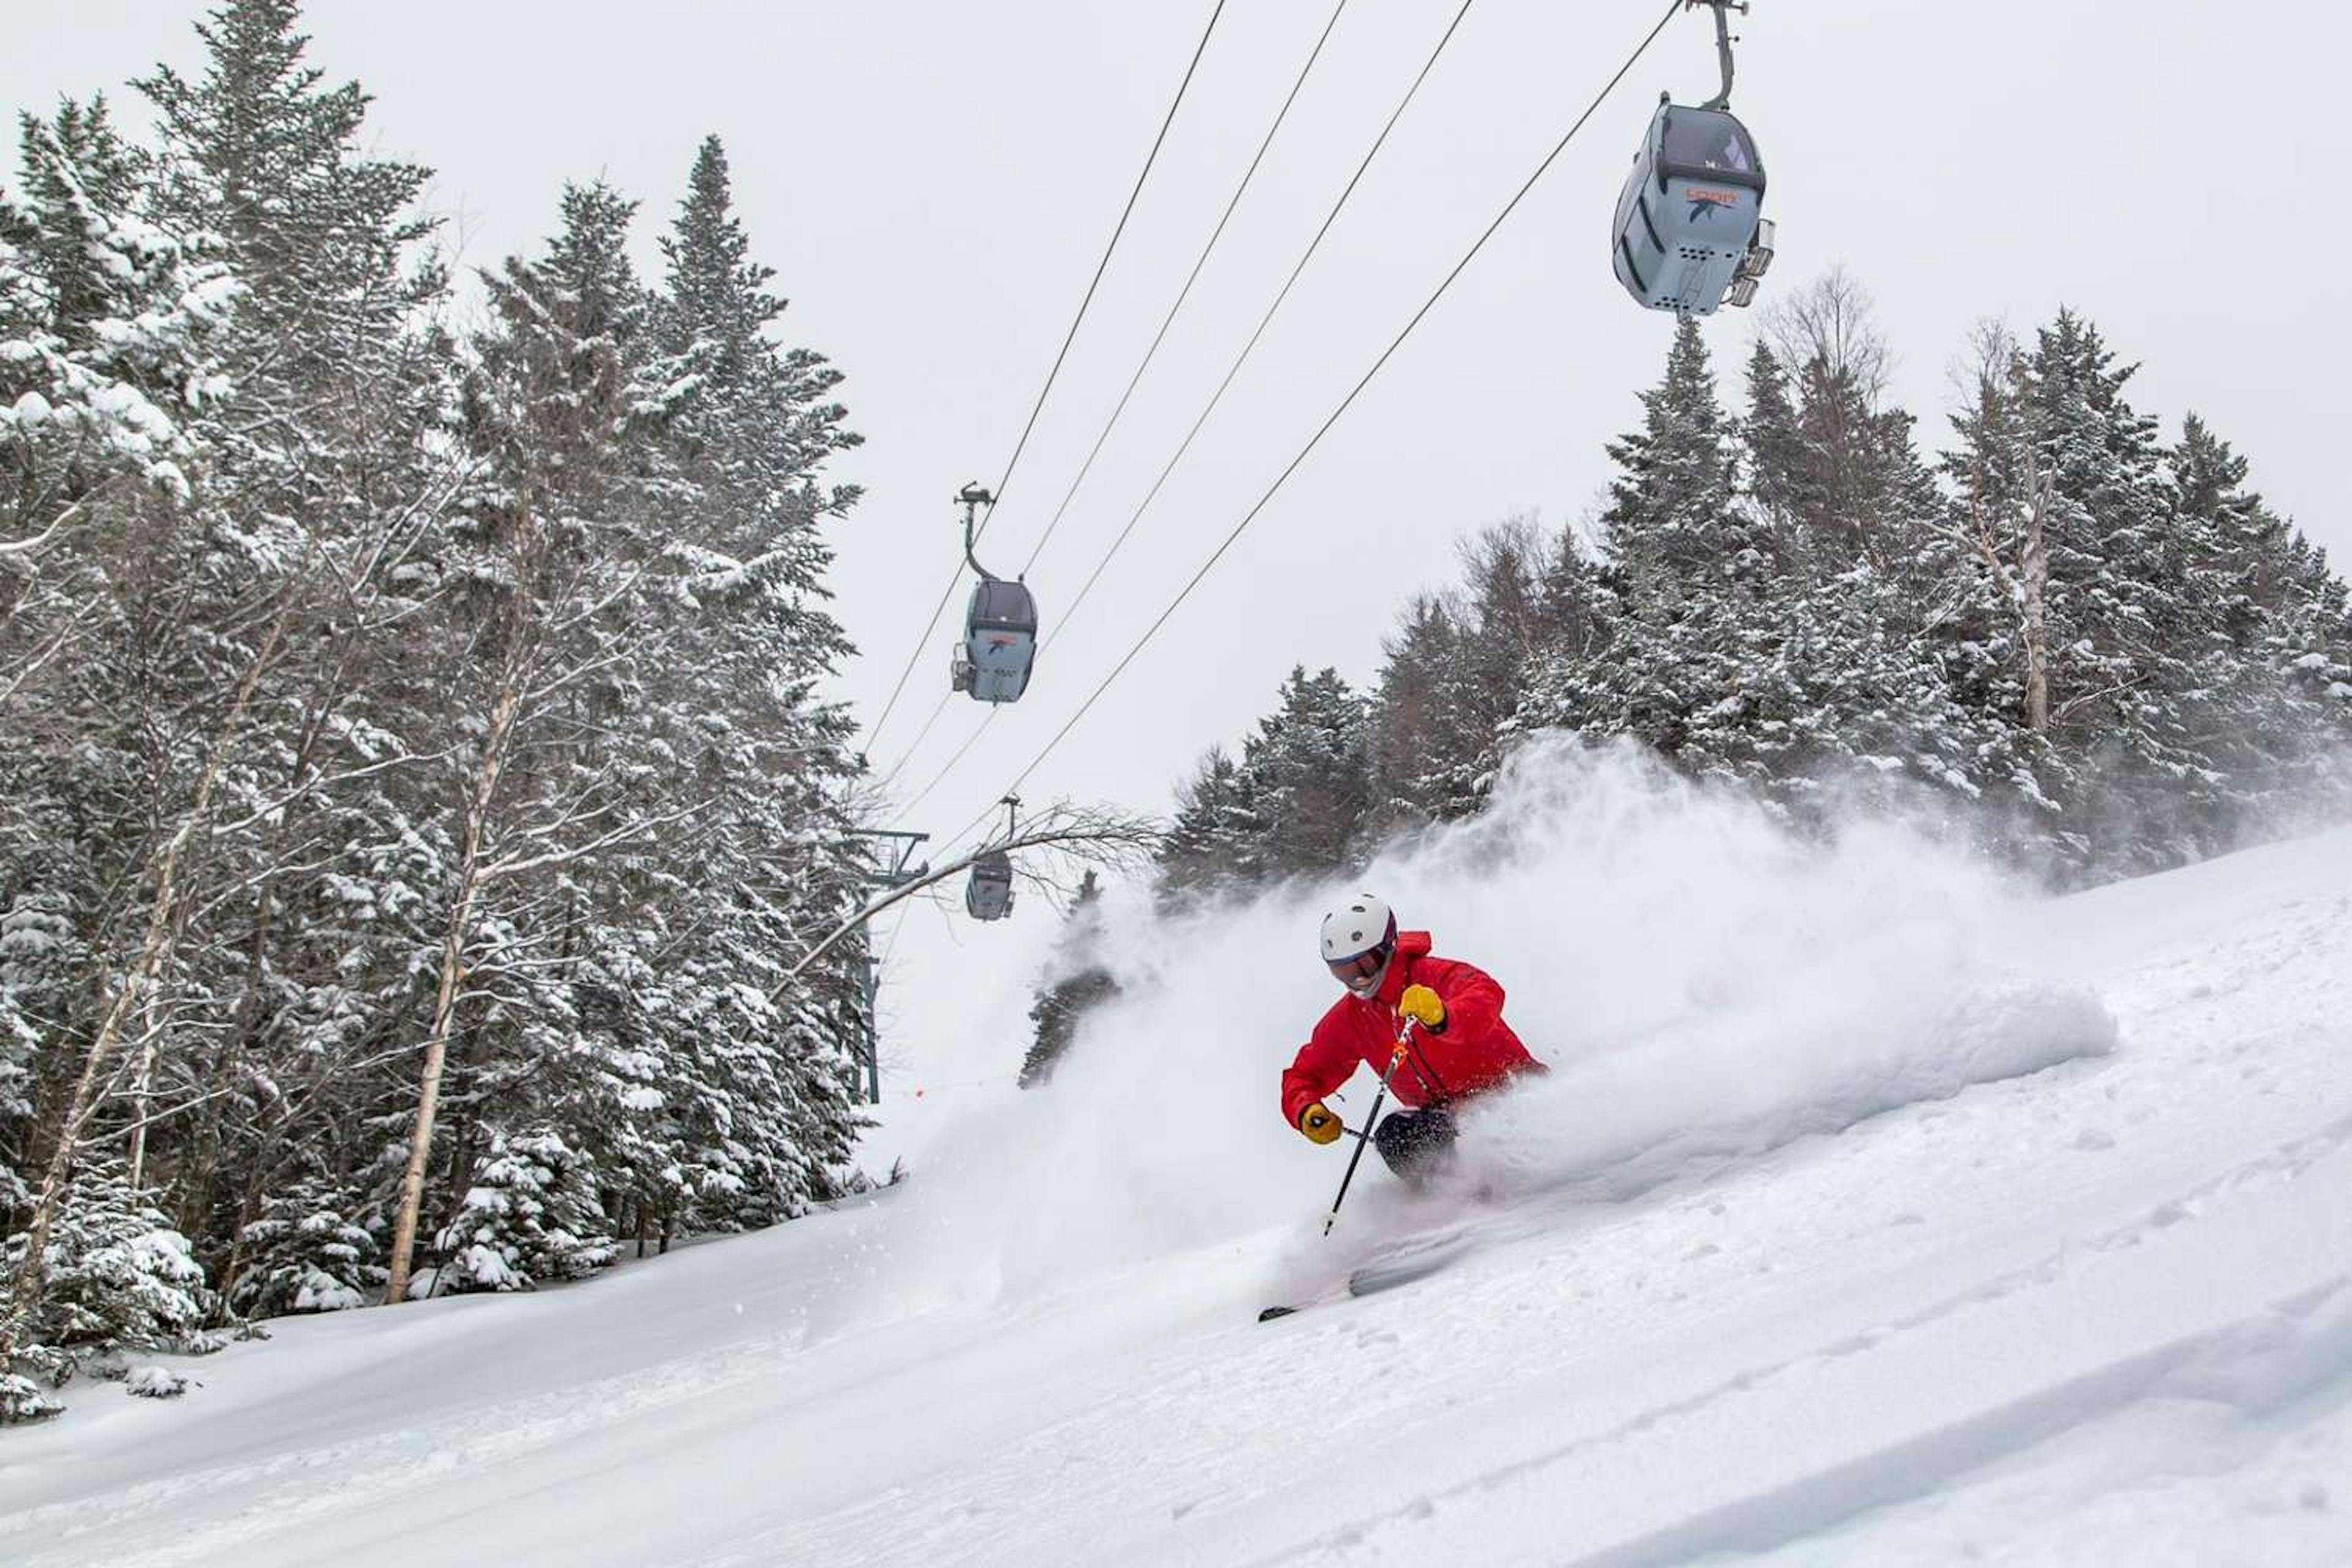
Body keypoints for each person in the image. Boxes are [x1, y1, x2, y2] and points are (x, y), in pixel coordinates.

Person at [1280, 893, 1544, 1184]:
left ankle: (1518, 1173)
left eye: (1365, 966)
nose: (1357, 981)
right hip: (1449, 1121)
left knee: (1489, 1130)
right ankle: (1451, 1196)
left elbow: (1487, 994)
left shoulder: (1434, 976)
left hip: (1514, 1095)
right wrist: (1306, 1110)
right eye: (1343, 971)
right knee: (1395, 1135)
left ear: (1388, 947)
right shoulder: (1351, 1018)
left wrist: (1442, 1016)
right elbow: (1304, 1075)